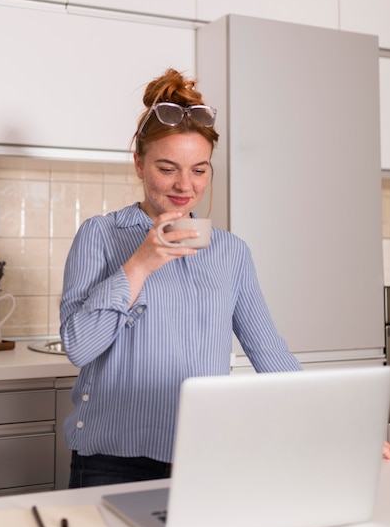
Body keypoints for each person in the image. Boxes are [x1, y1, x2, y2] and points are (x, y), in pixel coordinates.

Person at [59, 68, 303, 488]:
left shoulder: (231, 252)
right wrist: (141, 263)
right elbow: (79, 347)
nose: (184, 186)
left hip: (202, 456)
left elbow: (270, 353)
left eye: (199, 170)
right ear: (139, 163)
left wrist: (347, 432)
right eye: (167, 168)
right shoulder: (100, 235)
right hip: (111, 460)